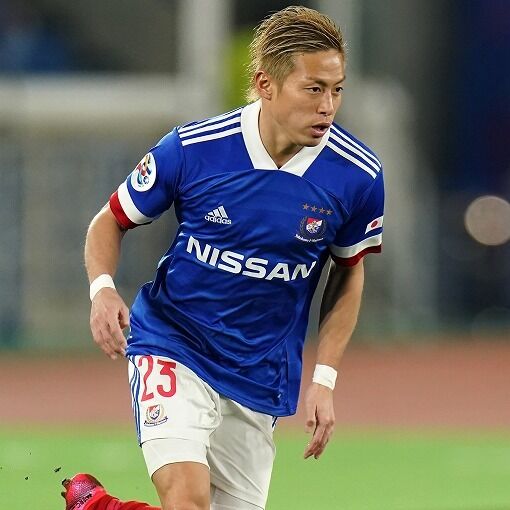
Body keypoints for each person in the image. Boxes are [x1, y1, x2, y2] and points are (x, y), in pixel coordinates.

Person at [65, 5, 384, 510]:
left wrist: (325, 379)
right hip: (174, 343)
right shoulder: (194, 149)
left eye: (337, 89)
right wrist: (102, 289)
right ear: (265, 84)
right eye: (314, 89)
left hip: (260, 372)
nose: (328, 106)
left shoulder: (357, 176)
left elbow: (348, 275)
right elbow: (111, 220)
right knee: (187, 499)